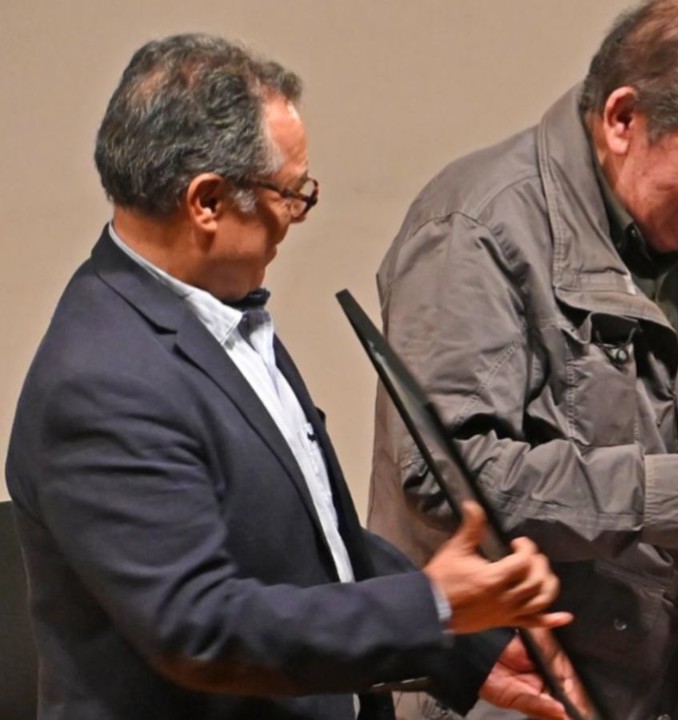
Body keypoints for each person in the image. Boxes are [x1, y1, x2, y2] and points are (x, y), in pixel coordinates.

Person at [5, 33, 574, 720]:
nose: (297, 216)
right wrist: (433, 604)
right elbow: (205, 629)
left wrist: (465, 646)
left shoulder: (210, 304)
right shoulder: (102, 384)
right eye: (290, 193)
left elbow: (310, 540)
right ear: (207, 202)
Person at [367, 2, 678, 719]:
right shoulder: (475, 229)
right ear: (622, 120)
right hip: (516, 692)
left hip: (666, 687)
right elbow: (450, 476)